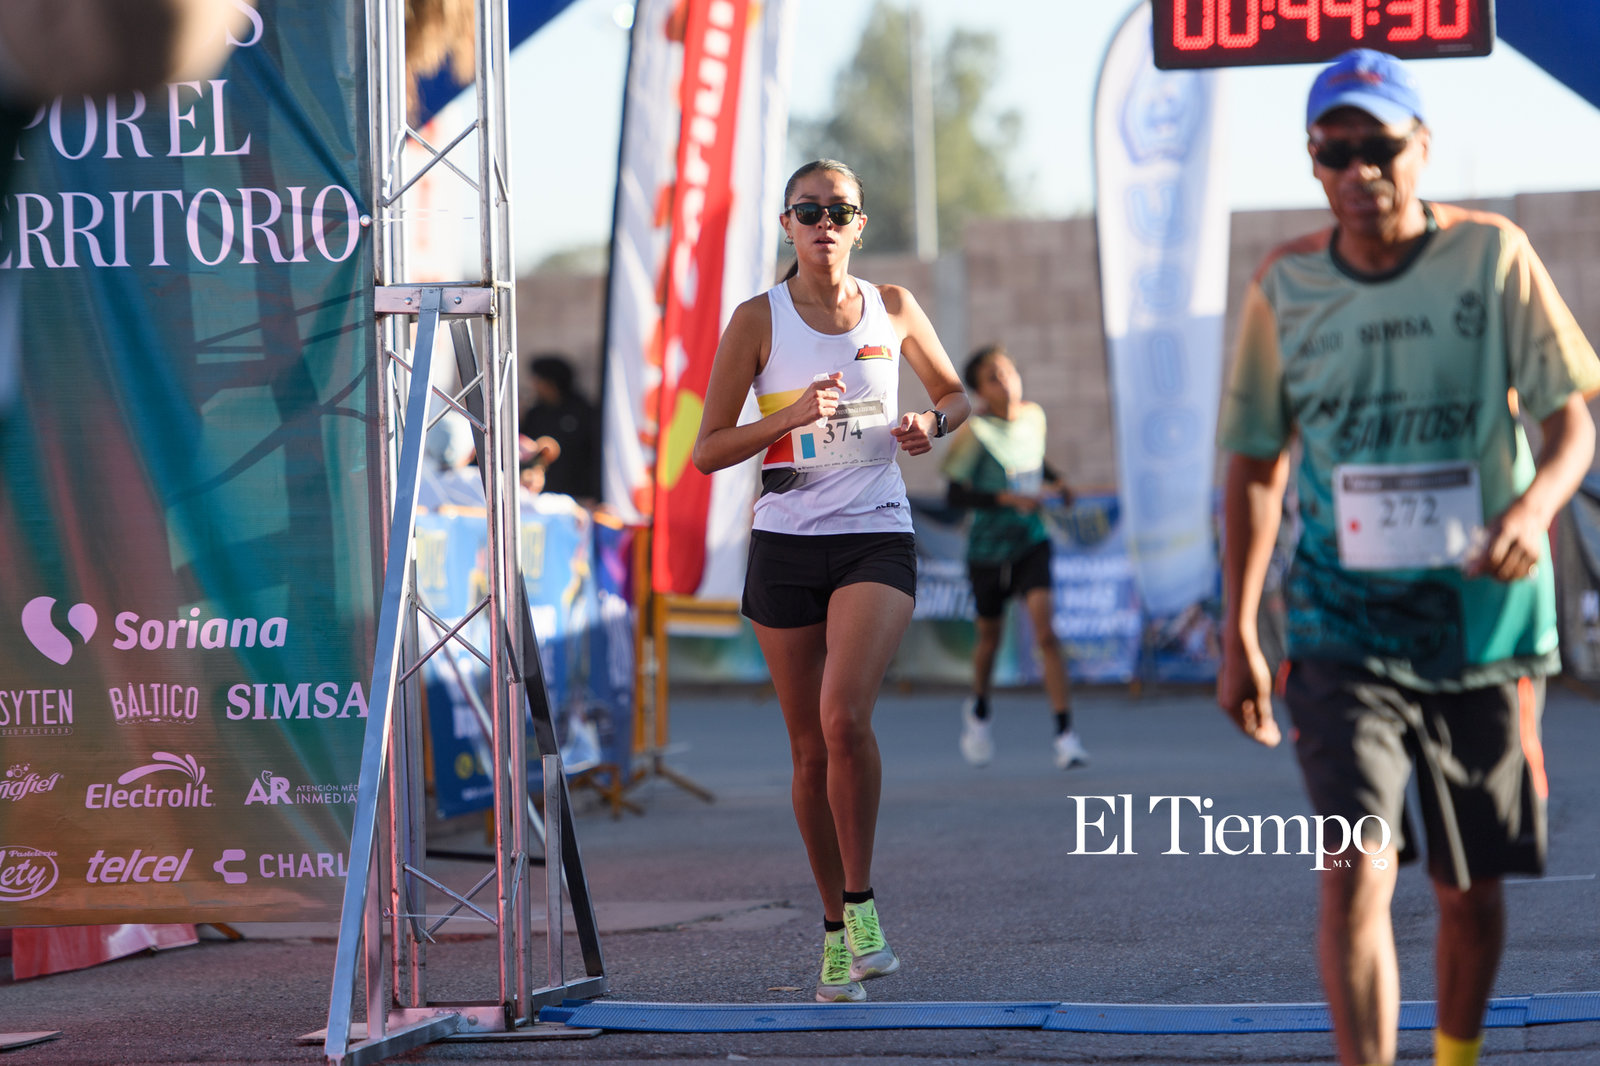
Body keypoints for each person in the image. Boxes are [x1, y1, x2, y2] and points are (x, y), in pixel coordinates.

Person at [1216, 50, 1599, 1066]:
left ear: (1420, 146)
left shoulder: (1493, 256)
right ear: (1312, 161)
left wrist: (1532, 509)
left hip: (1482, 625)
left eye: (1378, 146)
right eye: (1332, 151)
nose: (1358, 170)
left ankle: (1456, 1054)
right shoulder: (1284, 284)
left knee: (1469, 887)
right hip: (1338, 627)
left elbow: (1571, 426)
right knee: (1356, 869)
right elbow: (1253, 464)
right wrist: (1238, 629)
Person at [692, 159, 969, 1004]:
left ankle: (862, 904)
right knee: (808, 749)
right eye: (807, 211)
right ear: (786, 225)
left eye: (838, 211)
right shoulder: (758, 319)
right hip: (785, 543)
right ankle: (836, 932)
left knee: (843, 718)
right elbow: (707, 450)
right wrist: (788, 417)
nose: (823, 224)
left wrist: (930, 422)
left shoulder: (893, 307)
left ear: (858, 224)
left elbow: (957, 396)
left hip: (873, 535)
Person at [941, 344, 1087, 769]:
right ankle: (979, 710)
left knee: (1047, 634)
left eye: (1008, 372)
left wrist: (1058, 482)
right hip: (988, 550)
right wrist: (1007, 499)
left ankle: (1066, 736)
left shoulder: (1034, 416)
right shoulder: (975, 432)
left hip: (1031, 541)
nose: (1005, 382)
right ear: (980, 392)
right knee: (989, 639)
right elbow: (954, 494)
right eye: (993, 378)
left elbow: (1034, 460)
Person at [519, 353, 600, 501]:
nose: (534, 385)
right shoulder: (535, 414)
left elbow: (593, 454)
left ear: (550, 382)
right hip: (542, 496)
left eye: (537, 380)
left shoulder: (582, 412)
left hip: (578, 495)